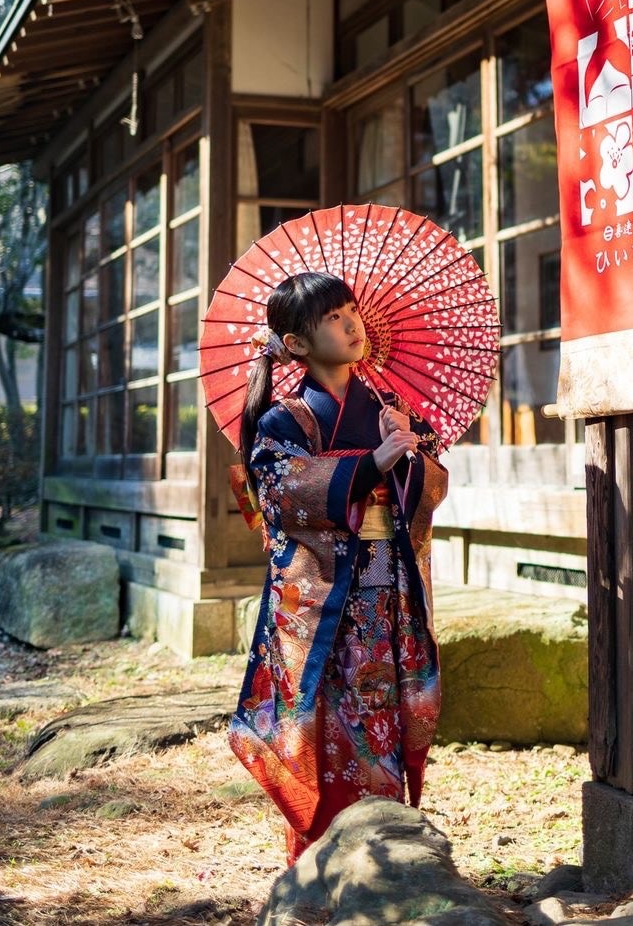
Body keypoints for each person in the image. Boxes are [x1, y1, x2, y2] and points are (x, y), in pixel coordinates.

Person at [229, 270, 447, 865]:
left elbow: (432, 490)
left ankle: (388, 846)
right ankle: (323, 855)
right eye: (333, 318)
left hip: (389, 587)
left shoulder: (390, 408)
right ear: (296, 343)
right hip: (323, 600)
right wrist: (373, 462)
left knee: (386, 708)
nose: (353, 324)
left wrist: (408, 453)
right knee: (326, 713)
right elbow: (281, 494)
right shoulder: (283, 421)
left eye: (352, 311)